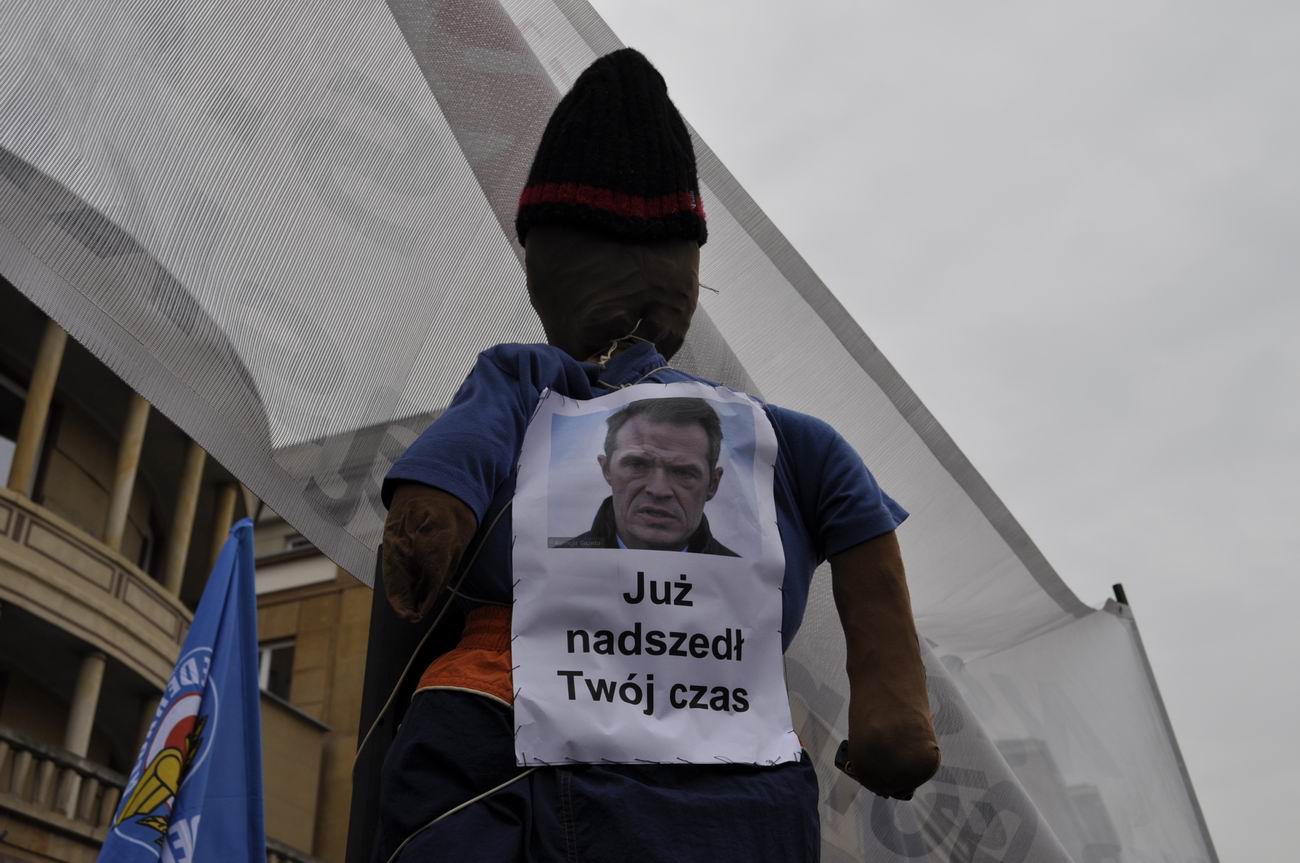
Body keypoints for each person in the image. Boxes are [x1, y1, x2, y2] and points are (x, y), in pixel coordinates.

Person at [371, 48, 939, 862]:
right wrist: (893, 713)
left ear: (546, 262)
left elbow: (453, 468)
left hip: (508, 729)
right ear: (687, 271)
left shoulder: (525, 380)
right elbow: (865, 543)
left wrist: (433, 508)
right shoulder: (787, 439)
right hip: (726, 769)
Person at [559, 397, 738, 555]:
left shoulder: (746, 580)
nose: (658, 490)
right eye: (637, 465)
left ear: (712, 484)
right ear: (607, 470)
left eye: (683, 473)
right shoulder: (553, 569)